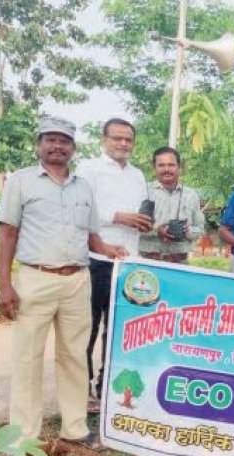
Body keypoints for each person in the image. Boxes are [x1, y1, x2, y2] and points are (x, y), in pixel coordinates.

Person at [0, 117, 128, 456]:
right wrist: (5, 284)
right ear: (38, 144)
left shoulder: (83, 187)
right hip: (35, 279)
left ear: (73, 148)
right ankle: (20, 438)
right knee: (27, 359)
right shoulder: (21, 182)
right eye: (50, 140)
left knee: (73, 356)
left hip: (76, 281)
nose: (57, 146)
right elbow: (7, 232)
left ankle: (74, 427)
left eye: (64, 141)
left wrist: (108, 248)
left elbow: (92, 235)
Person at [77, 118, 149, 402]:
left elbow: (140, 212)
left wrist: (143, 222)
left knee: (119, 329)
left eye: (128, 139)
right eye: (116, 138)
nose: (122, 144)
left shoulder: (138, 174)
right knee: (88, 327)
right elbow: (81, 209)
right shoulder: (88, 169)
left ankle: (107, 389)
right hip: (96, 258)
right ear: (103, 140)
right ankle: (80, 390)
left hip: (130, 263)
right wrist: (117, 216)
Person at [139, 147, 204, 264]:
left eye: (171, 165)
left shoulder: (191, 195)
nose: (166, 169)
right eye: (161, 165)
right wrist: (156, 230)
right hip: (148, 261)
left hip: (180, 263)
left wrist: (188, 231)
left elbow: (200, 229)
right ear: (154, 168)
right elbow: (135, 227)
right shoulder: (144, 192)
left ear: (179, 167)